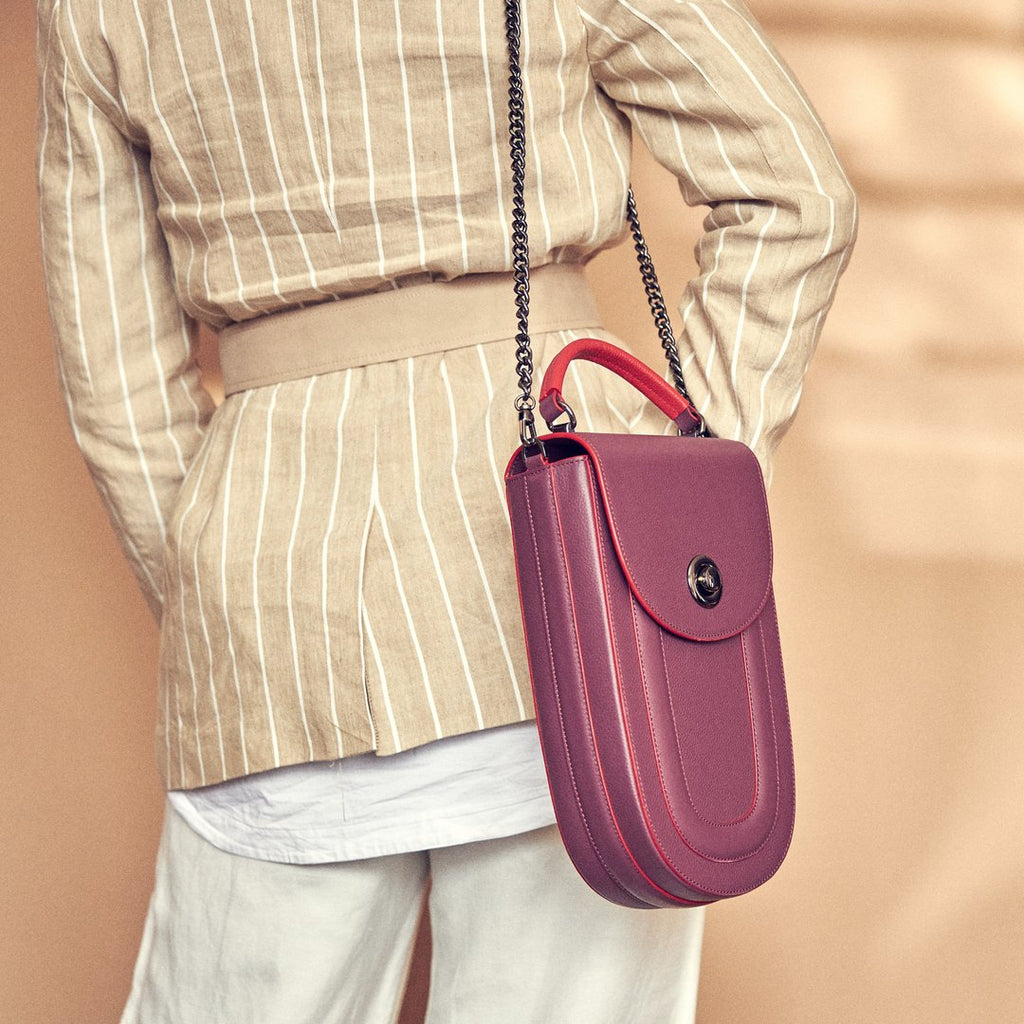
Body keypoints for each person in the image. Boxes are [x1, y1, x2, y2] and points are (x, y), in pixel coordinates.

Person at [36, 0, 856, 1020]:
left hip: (268, 589)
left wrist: (222, 591)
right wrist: (679, 497)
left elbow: (112, 375)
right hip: (568, 579)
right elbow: (797, 195)